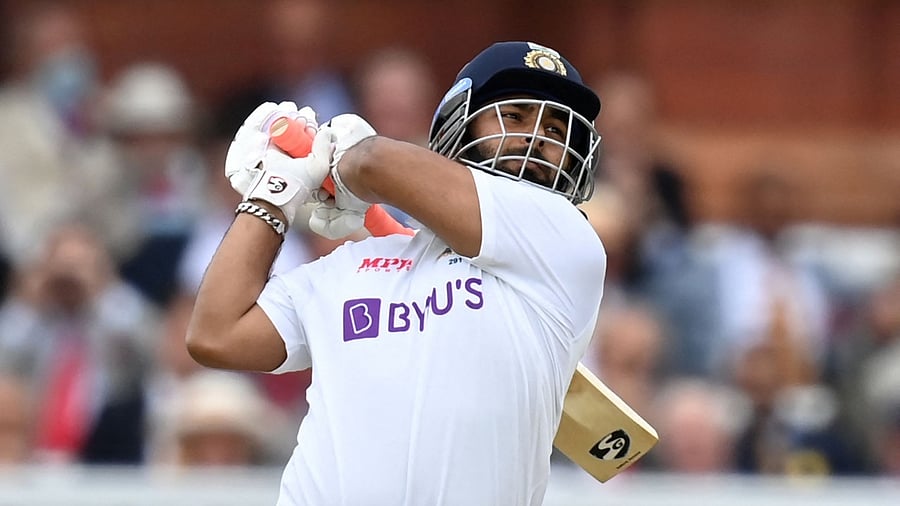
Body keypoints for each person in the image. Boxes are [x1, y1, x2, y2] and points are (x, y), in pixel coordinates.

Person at [187, 41, 605, 505]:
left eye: (557, 127)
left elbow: (372, 161)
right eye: (517, 116)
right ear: (457, 125)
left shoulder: (566, 241)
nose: (540, 138)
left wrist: (334, 158)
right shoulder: (353, 264)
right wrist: (275, 192)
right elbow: (217, 334)